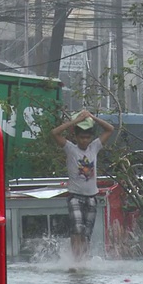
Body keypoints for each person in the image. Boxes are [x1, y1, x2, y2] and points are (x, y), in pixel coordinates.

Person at [51, 110, 114, 262]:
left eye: (87, 137)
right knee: (76, 230)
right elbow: (54, 133)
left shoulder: (94, 147)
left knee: (86, 233)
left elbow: (110, 129)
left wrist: (92, 118)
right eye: (81, 137)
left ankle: (83, 260)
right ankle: (75, 260)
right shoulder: (71, 149)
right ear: (76, 137)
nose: (84, 141)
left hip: (92, 196)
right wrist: (75, 121)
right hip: (75, 196)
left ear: (91, 138)